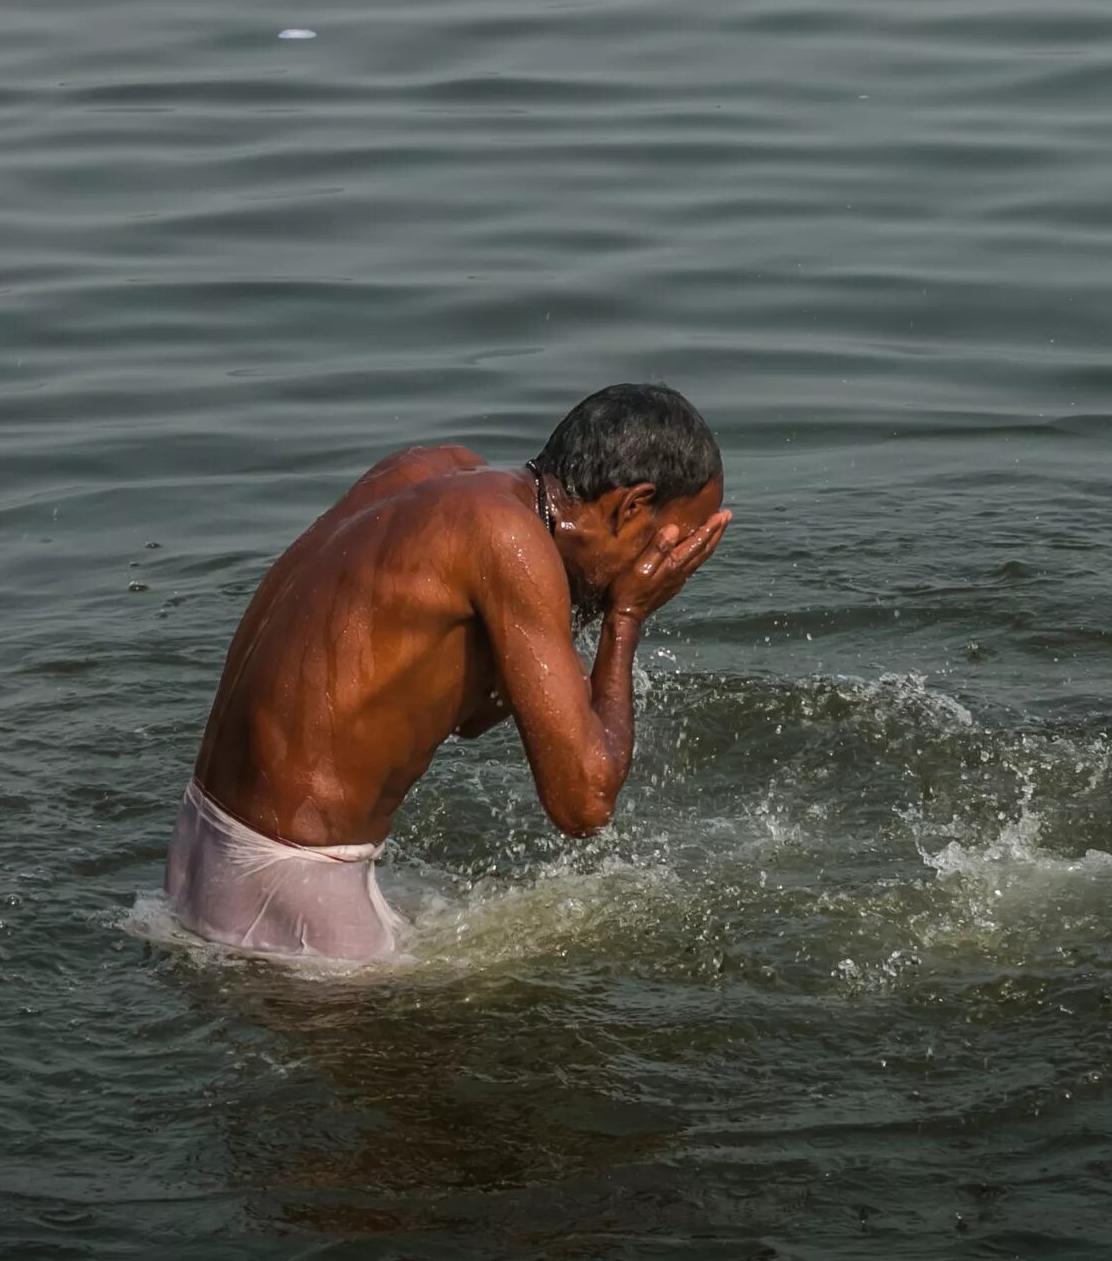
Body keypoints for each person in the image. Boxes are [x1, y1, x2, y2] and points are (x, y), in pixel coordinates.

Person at [165, 382, 732, 960]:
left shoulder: (434, 476)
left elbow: (473, 714)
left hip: (204, 856)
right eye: (672, 546)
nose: (666, 568)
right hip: (289, 895)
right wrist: (626, 615)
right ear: (630, 506)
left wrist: (594, 591)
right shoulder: (508, 538)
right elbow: (584, 804)